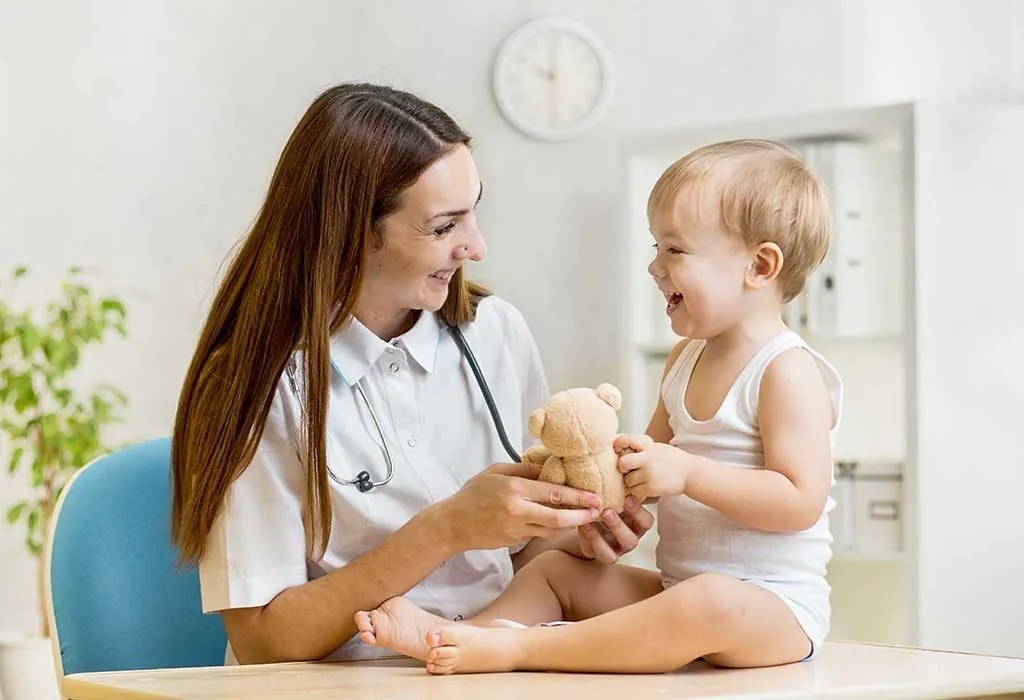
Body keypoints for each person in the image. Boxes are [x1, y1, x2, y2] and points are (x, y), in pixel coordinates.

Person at [168, 82, 654, 665]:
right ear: (353, 231)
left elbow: (523, 559)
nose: (475, 247)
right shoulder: (254, 384)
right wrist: (445, 529)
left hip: (488, 667)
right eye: (444, 227)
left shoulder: (493, 332)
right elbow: (264, 641)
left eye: (474, 211)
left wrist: (575, 534)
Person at [355, 139, 844, 675]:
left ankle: (518, 649)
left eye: (675, 250)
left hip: (771, 611)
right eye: (656, 247)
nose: (655, 268)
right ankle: (458, 637)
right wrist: (600, 474)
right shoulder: (685, 360)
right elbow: (648, 468)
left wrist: (689, 473)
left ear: (760, 265)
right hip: (680, 592)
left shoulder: (787, 371)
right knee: (555, 573)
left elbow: (800, 500)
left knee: (708, 601)